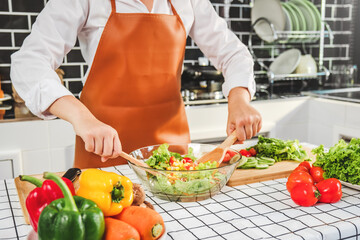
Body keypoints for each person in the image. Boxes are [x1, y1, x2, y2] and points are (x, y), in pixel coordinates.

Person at [11, 0, 262, 169]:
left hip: (172, 160)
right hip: (102, 153)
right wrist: (81, 118)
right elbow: (29, 63)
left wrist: (239, 100)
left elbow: (233, 53)